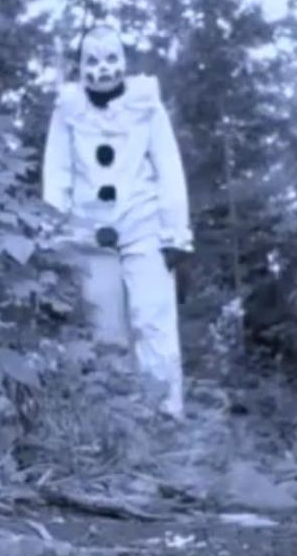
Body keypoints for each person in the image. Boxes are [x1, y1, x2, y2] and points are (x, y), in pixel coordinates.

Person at [41, 24, 192, 418]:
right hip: (87, 231)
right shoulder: (68, 109)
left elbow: (169, 168)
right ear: (80, 65)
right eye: (93, 60)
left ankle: (165, 415)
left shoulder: (146, 106)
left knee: (153, 317)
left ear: (123, 62)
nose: (103, 68)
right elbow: (56, 172)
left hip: (144, 223)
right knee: (103, 327)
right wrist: (51, 226)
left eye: (111, 59)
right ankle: (117, 418)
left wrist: (175, 230)